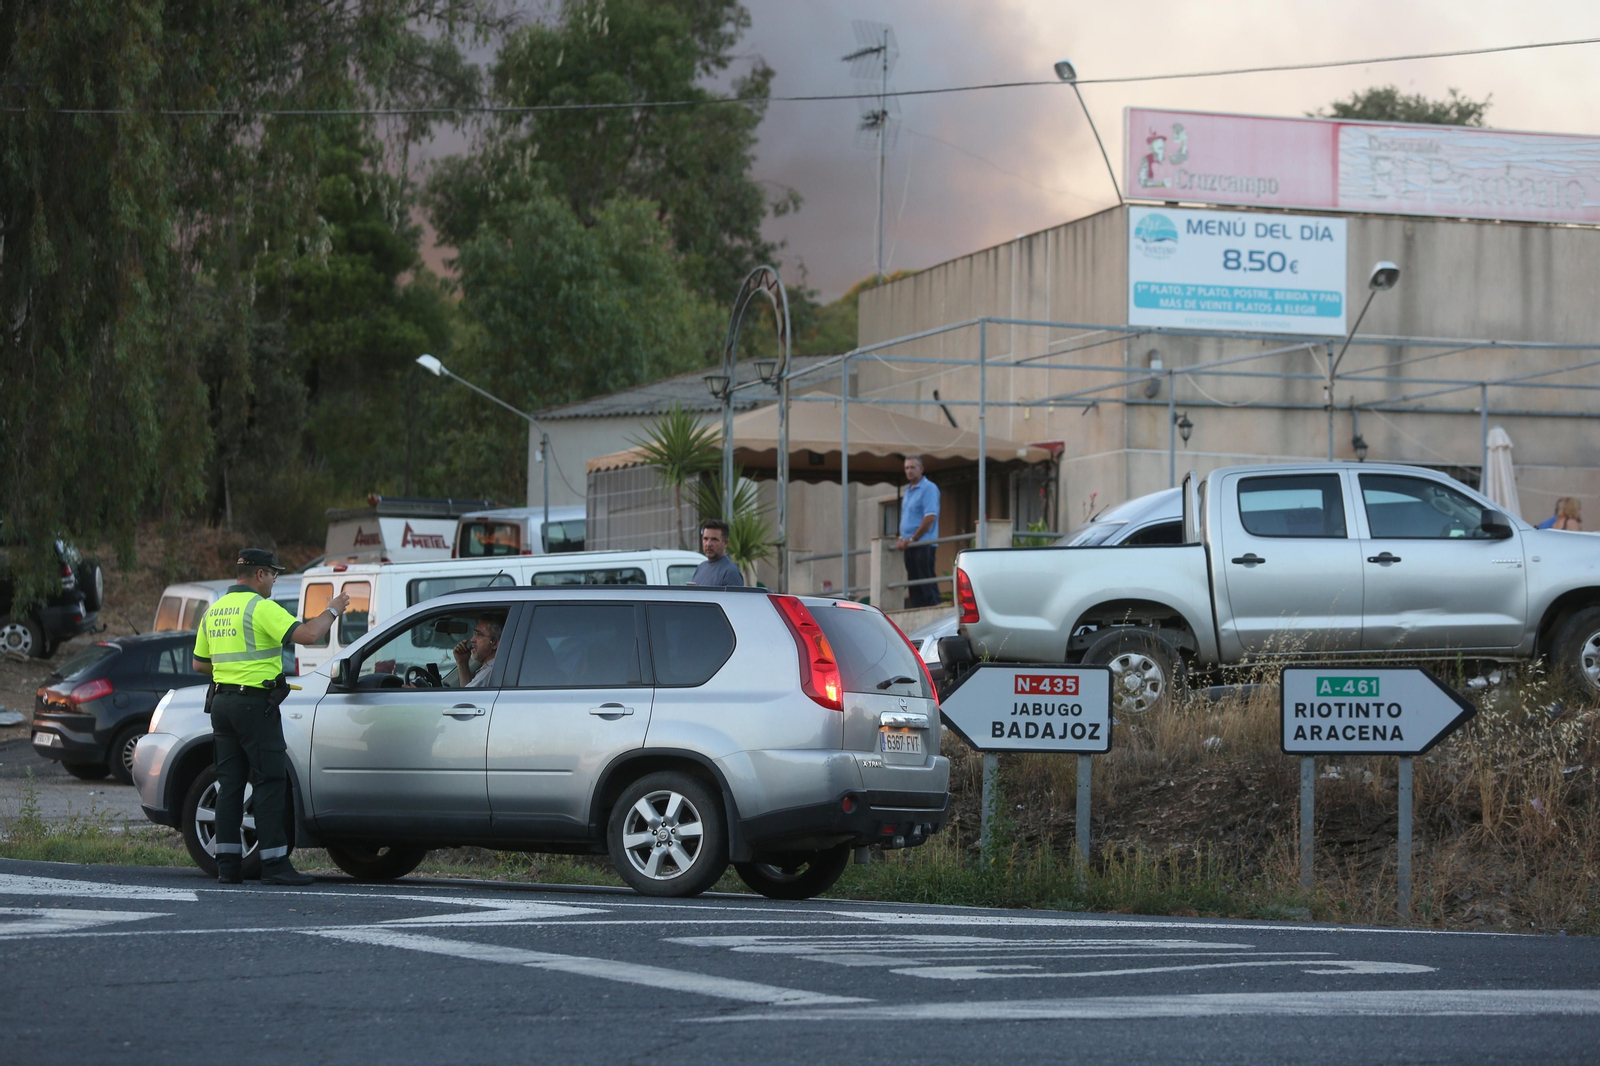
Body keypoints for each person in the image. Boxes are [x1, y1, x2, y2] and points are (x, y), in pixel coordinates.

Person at [192, 549, 349, 886]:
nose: (276, 580)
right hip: (255, 705)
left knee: (230, 784)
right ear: (259, 574)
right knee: (269, 780)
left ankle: (228, 866)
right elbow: (309, 635)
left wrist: (231, 666)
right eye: (273, 574)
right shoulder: (260, 608)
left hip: (222, 703)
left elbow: (200, 663)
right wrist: (333, 609)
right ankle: (275, 864)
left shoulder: (214, 609)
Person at [896, 455, 942, 608]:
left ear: (921, 469)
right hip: (909, 544)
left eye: (912, 467)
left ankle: (934, 610)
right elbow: (907, 517)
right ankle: (918, 608)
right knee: (914, 583)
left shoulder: (929, 488)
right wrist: (902, 538)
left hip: (923, 543)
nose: (909, 471)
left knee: (926, 582)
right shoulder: (908, 491)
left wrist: (913, 538)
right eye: (906, 468)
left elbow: (930, 517)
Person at [690, 519, 745, 586]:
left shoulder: (730, 572)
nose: (708, 544)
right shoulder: (701, 568)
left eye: (714, 539)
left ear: (725, 543)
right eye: (705, 539)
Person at [452, 617, 503, 688]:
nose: (472, 639)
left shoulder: (488, 673)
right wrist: (462, 662)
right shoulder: (495, 667)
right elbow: (466, 693)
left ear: (494, 643)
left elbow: (464, 698)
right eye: (474, 633)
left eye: (479, 635)